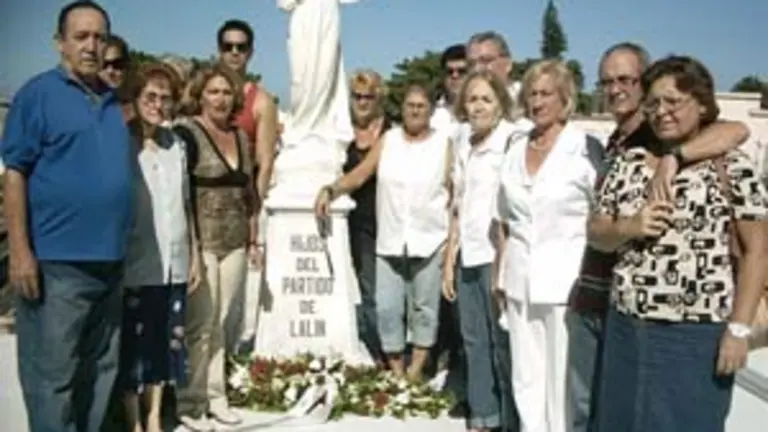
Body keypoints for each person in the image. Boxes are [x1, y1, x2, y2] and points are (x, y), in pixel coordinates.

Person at [567, 42, 752, 432]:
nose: (662, 111)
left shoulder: (732, 164)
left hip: (694, 334)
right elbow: (596, 229)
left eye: (674, 101)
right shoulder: (630, 160)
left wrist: (738, 330)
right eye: (653, 104)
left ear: (702, 104)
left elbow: (758, 250)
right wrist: (630, 227)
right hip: (626, 326)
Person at [0, 2, 134, 431]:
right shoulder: (38, 94)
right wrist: (20, 252)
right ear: (60, 43)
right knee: (52, 380)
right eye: (81, 36)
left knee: (100, 374)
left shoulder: (114, 103)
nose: (92, 46)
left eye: (100, 36)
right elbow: (15, 173)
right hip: (57, 266)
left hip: (110, 265)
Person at [493, 60, 602, 432]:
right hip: (519, 282)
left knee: (561, 384)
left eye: (545, 94)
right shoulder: (514, 147)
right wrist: (500, 276)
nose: (537, 102)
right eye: (531, 94)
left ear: (565, 99)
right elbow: (504, 221)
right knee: (526, 379)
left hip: (565, 285)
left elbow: (600, 217)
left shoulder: (585, 149)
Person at [315, 84, 451, 381]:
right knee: (387, 308)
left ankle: (416, 370)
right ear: (401, 109)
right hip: (390, 240)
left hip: (430, 239)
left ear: (430, 110)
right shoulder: (389, 140)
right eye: (410, 105)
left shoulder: (444, 144)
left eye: (421, 105)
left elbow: (455, 191)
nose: (415, 110)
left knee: (424, 309)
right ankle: (396, 370)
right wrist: (331, 189)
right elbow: (360, 174)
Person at [173, 65, 259, 431]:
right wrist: (191, 249)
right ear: (200, 95)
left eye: (226, 92)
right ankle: (190, 402)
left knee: (222, 323)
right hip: (202, 242)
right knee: (200, 325)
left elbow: (249, 192)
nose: (221, 98)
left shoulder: (241, 137)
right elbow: (180, 196)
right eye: (213, 91)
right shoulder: (187, 133)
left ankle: (216, 396)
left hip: (236, 240)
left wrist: (255, 238)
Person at [119, 63, 203, 432]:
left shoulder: (176, 146)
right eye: (150, 97)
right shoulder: (122, 143)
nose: (157, 104)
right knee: (132, 347)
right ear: (136, 99)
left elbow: (186, 205)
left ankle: (154, 417)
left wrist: (195, 255)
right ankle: (133, 420)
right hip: (135, 263)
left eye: (165, 98)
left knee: (163, 344)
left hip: (174, 261)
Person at [443, 70, 527, 432]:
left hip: (499, 259)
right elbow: (457, 207)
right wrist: (449, 261)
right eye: (472, 99)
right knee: (474, 341)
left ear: (500, 104)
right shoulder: (463, 142)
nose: (477, 106)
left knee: (503, 344)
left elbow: (513, 207)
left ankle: (512, 420)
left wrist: (503, 267)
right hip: (468, 256)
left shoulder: (513, 139)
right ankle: (483, 416)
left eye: (485, 99)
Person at [344, 69, 391, 362]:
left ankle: (388, 352)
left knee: (384, 292)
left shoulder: (390, 131)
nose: (362, 102)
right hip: (352, 222)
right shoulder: (340, 131)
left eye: (368, 96)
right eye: (357, 96)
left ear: (379, 98)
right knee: (362, 289)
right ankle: (370, 347)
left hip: (385, 219)